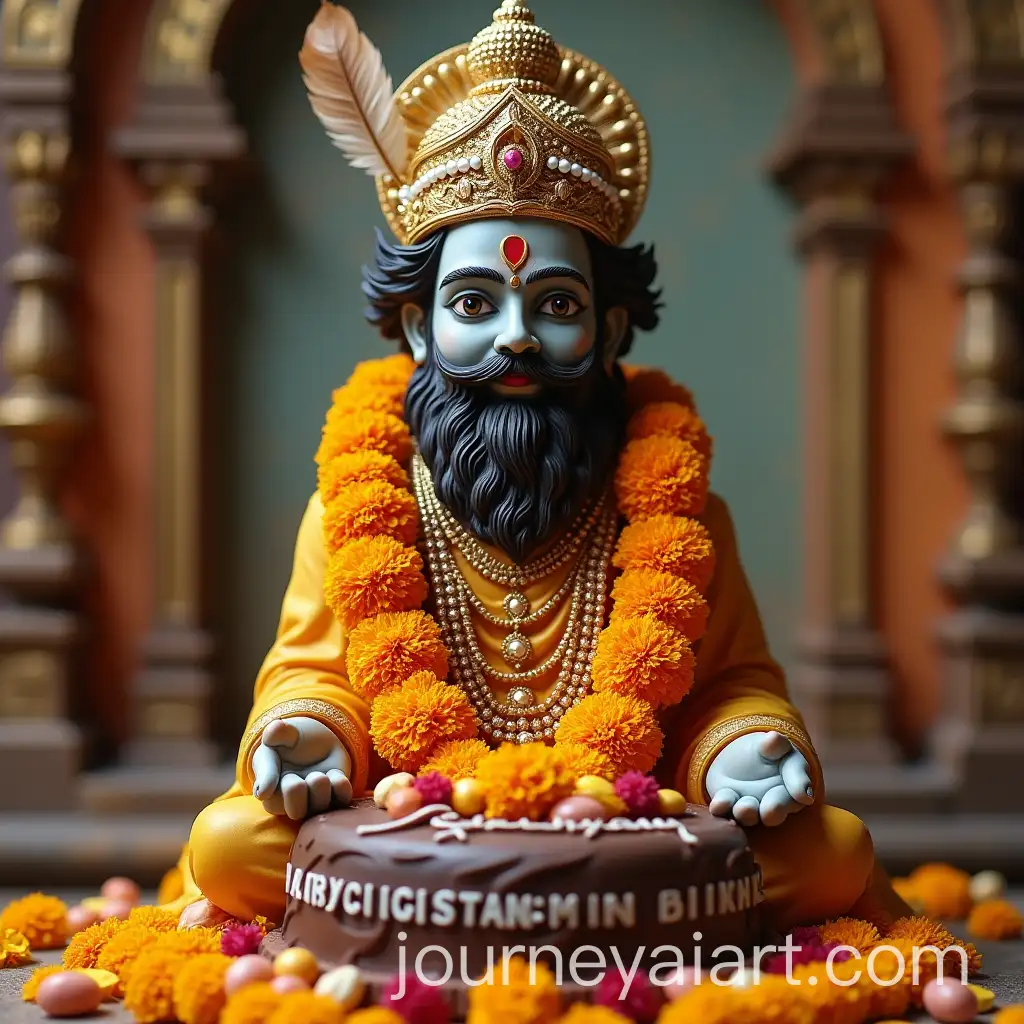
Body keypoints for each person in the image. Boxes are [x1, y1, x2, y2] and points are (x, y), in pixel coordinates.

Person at [165, 0, 908, 933]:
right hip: (419, 826)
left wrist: (742, 749)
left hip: (624, 828)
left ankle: (487, 926)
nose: (516, 336)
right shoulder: (356, 505)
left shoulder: (681, 512)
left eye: (554, 303)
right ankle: (594, 930)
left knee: (828, 852)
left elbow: (731, 684)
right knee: (229, 846)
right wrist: (310, 736)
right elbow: (310, 673)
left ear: (607, 331)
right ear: (416, 326)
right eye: (474, 302)